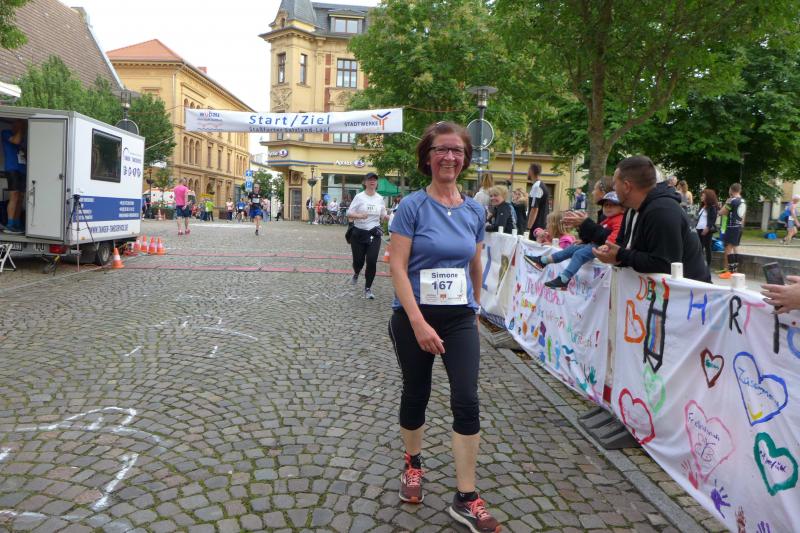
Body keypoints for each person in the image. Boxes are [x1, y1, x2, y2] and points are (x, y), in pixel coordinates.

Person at [388, 121, 501, 533]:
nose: (449, 157)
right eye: (441, 150)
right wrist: (418, 322)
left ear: (465, 158)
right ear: (428, 157)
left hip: (458, 318)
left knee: (466, 399)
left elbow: (475, 262)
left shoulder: (474, 211)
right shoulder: (412, 206)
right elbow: (397, 267)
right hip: (413, 317)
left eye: (457, 150)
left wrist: (475, 307)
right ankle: (413, 464)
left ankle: (466, 498)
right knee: (416, 393)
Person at [591, 155, 710, 282]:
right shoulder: (633, 209)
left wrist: (620, 255)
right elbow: (626, 248)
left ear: (626, 186)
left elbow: (663, 264)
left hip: (690, 292)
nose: (614, 189)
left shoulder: (662, 211)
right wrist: (613, 252)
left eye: (615, 184)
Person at [526, 191, 624, 289]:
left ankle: (564, 279)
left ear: (622, 208)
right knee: (572, 248)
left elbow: (616, 234)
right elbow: (598, 234)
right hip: (596, 245)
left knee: (579, 254)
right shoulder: (607, 219)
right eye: (606, 205)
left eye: (612, 205)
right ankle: (544, 260)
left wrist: (607, 245)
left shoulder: (619, 219)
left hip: (603, 248)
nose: (608, 207)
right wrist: (584, 241)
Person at [347, 172, 388, 299]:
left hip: (374, 233)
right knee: (358, 261)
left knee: (371, 261)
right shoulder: (359, 197)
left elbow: (383, 215)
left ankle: (368, 288)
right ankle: (356, 272)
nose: (372, 181)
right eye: (369, 179)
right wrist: (359, 216)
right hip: (359, 233)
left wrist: (389, 217)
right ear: (364, 182)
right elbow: (349, 213)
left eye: (374, 179)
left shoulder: (380, 198)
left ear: (376, 183)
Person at [1, 120, 27, 234]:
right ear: (14, 125)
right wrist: (20, 128)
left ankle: (16, 222)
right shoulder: (6, 133)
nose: (23, 128)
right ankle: (10, 224)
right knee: (14, 195)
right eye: (21, 125)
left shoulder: (23, 138)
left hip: (22, 170)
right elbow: (16, 141)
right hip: (12, 169)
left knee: (20, 197)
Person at [718, 183, 746, 280]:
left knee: (728, 249)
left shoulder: (731, 201)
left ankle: (728, 272)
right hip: (739, 227)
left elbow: (722, 212)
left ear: (731, 190)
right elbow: (743, 216)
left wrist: (725, 204)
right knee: (735, 247)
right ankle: (734, 271)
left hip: (731, 227)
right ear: (740, 190)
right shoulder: (743, 201)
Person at [695, 188, 718, 267]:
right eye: (701, 195)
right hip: (699, 228)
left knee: (707, 247)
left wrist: (707, 227)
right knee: (699, 247)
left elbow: (713, 218)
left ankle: (708, 265)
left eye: (703, 196)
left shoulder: (712, 207)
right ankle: (700, 264)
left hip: (706, 229)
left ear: (708, 197)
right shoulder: (702, 206)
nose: (701, 197)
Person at [526, 163, 549, 239]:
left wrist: (528, 228)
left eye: (528, 170)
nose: (527, 173)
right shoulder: (540, 185)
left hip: (536, 227)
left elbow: (534, 209)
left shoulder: (537, 187)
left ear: (531, 171)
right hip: (541, 224)